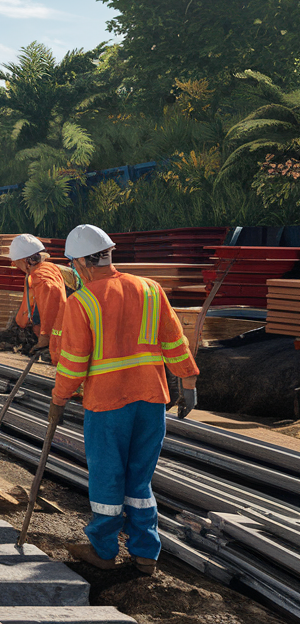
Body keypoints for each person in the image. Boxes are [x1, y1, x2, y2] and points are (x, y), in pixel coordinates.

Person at [52, 224, 199, 576]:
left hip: (107, 403)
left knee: (107, 477)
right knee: (140, 480)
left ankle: (103, 549)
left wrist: (59, 399)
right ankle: (145, 552)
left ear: (84, 262)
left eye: (73, 264)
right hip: (151, 401)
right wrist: (189, 382)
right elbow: (174, 340)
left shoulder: (82, 301)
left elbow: (73, 362)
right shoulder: (150, 289)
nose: (73, 271)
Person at [10, 234, 76, 363]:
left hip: (62, 337)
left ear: (25, 261)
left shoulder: (42, 278)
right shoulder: (45, 270)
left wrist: (44, 339)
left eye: (16, 262)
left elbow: (52, 305)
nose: (15, 265)